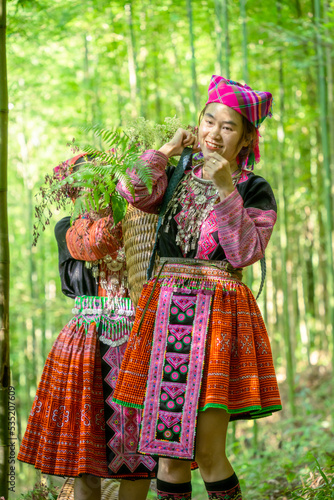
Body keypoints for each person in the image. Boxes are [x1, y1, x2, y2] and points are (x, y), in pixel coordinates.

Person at [112, 76, 282, 500]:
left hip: (218, 321)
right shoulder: (176, 174)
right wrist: (168, 149)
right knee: (168, 455)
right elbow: (130, 189)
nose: (214, 133)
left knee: (207, 452)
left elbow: (244, 252)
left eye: (228, 127)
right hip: (166, 316)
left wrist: (226, 187)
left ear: (245, 140)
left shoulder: (254, 188)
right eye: (209, 121)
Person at [18, 154, 157, 500]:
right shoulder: (68, 227)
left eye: (97, 177)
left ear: (110, 180)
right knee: (85, 457)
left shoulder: (138, 216)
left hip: (137, 335)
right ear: (71, 191)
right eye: (80, 182)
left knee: (139, 456)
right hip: (87, 339)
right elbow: (94, 248)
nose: (89, 186)